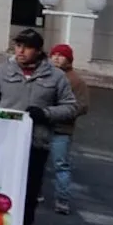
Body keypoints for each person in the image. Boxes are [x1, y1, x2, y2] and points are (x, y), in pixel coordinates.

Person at [0, 29, 78, 225]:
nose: (20, 51)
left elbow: (71, 107)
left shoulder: (55, 77)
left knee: (28, 194)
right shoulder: (3, 71)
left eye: (26, 47)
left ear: (38, 50)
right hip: (3, 142)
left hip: (34, 145)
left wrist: (46, 113)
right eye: (17, 46)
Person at [47, 43, 90, 215]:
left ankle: (62, 199)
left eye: (61, 55)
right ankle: (36, 194)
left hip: (62, 129)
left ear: (69, 59)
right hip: (42, 125)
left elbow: (83, 106)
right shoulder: (46, 75)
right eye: (54, 54)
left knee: (60, 164)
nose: (56, 58)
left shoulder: (76, 81)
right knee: (37, 163)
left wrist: (61, 112)